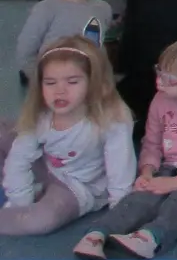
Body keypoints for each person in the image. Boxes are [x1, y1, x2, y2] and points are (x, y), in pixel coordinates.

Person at [73, 37, 177, 260]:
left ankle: (152, 236)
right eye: (160, 72)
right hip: (168, 167)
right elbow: (151, 143)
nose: (160, 81)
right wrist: (147, 171)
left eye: (170, 78)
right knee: (139, 199)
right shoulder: (161, 99)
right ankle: (98, 233)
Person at [2, 38, 135, 236]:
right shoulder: (40, 116)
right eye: (50, 82)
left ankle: (34, 198)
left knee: (40, 220)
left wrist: (119, 215)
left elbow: (120, 168)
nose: (60, 90)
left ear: (93, 83)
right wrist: (21, 199)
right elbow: (19, 159)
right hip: (46, 168)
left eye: (72, 82)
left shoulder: (111, 119)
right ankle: (34, 190)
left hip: (76, 187)